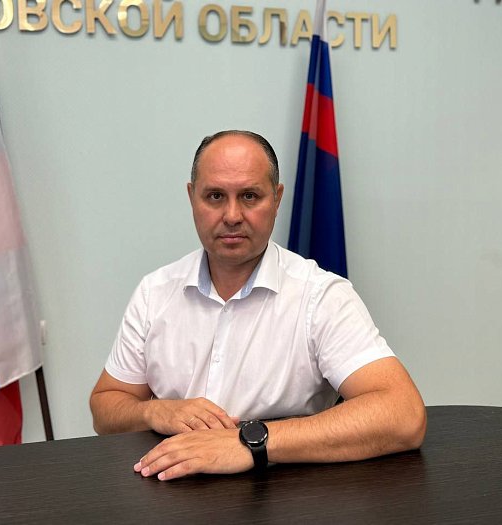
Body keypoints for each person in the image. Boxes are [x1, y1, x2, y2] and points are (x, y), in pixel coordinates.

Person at [90, 130, 426, 481]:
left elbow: (403, 415)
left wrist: (250, 443)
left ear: (277, 199)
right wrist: (154, 412)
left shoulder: (321, 296)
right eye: (215, 196)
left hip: (289, 490)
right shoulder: (155, 291)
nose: (232, 215)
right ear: (192, 198)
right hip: (171, 487)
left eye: (249, 196)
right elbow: (106, 407)